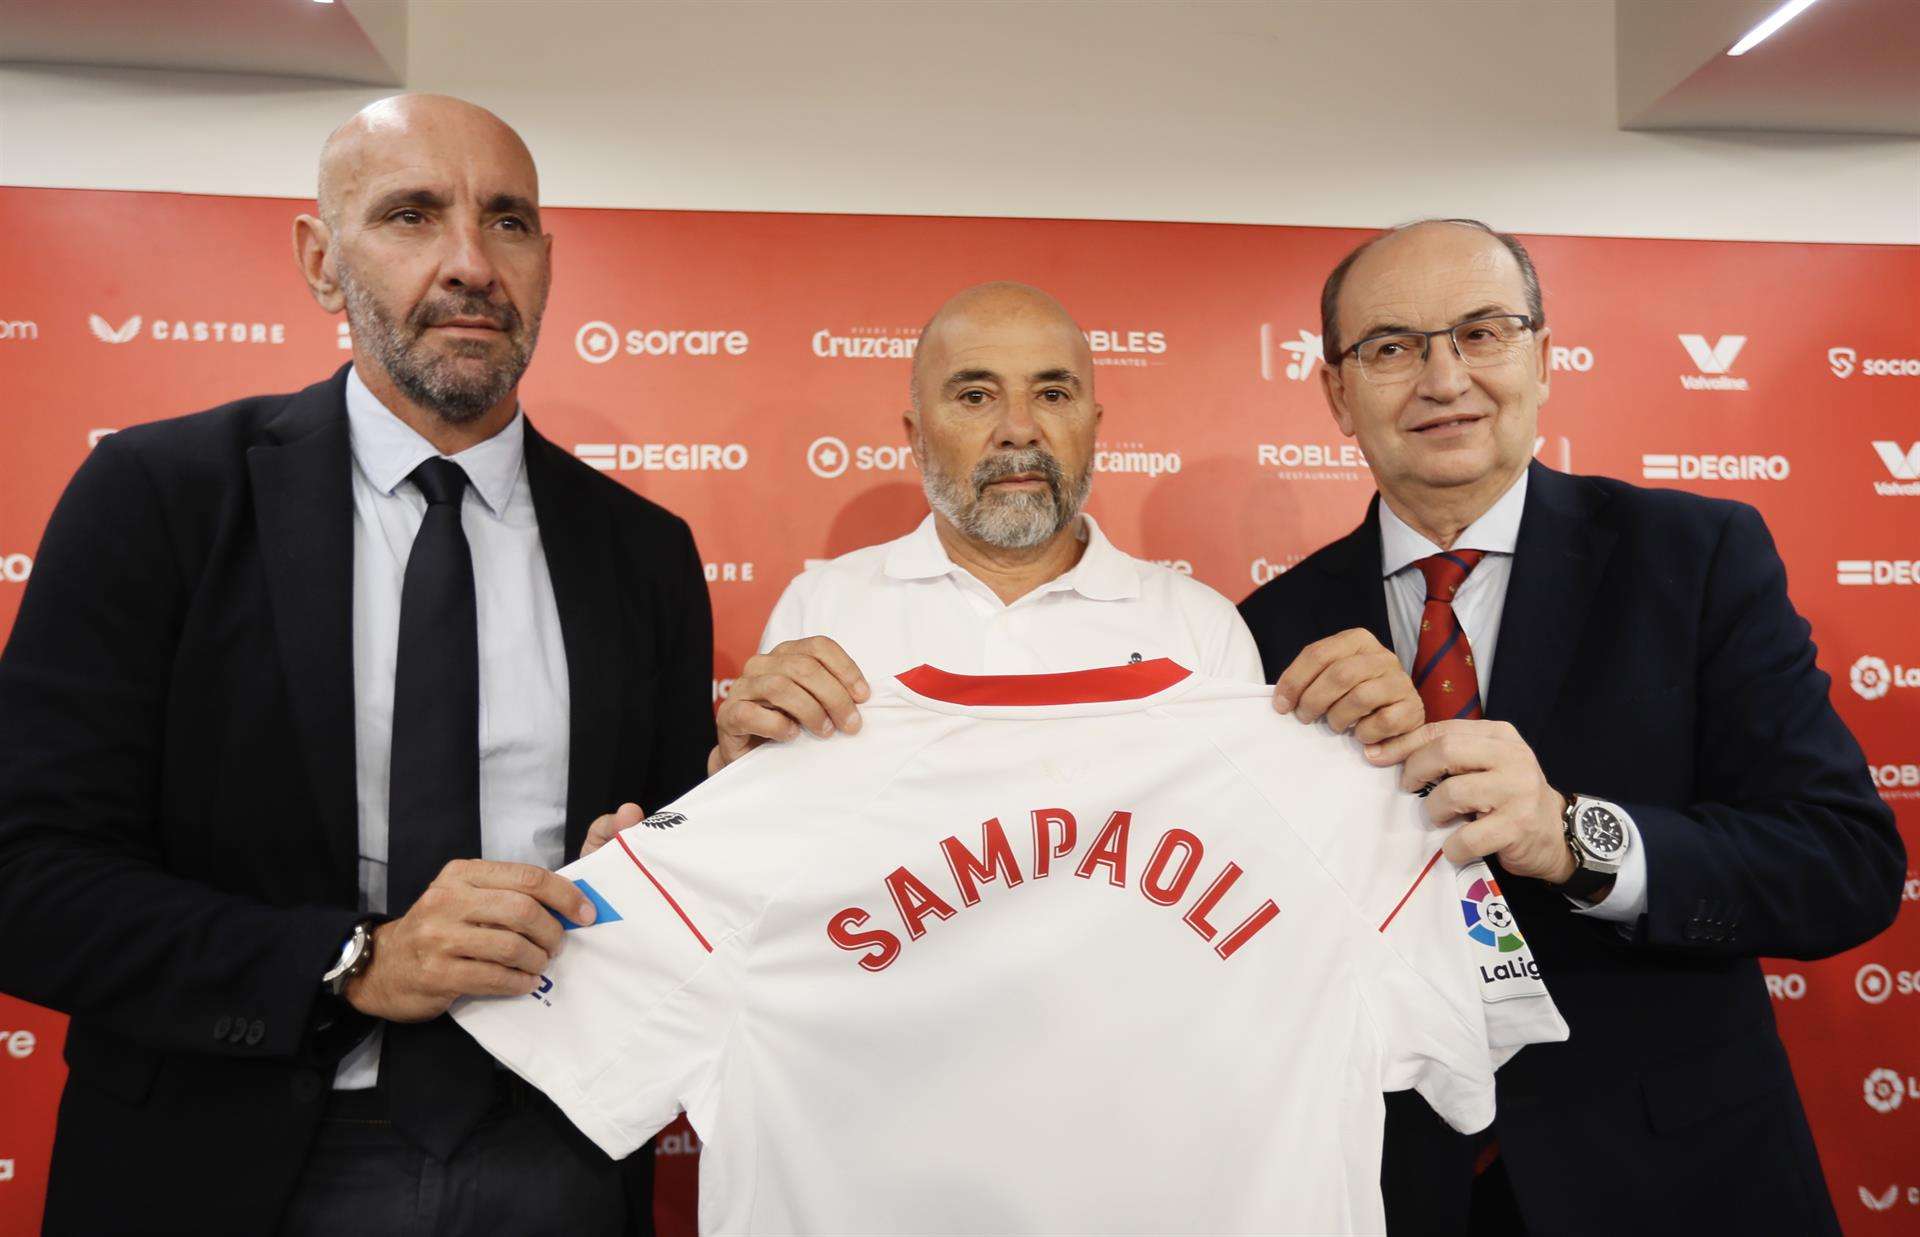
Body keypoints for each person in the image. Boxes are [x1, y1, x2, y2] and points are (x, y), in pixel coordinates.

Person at [0, 94, 714, 1236]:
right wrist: (351, 962)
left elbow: (687, 866)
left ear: (547, 261)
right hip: (227, 1159)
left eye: (509, 222)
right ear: (321, 262)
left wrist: (648, 874)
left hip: (561, 1149)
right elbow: (26, 875)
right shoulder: (158, 498)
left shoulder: (643, 549)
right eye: (412, 215)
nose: (471, 263)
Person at [1238, 218, 1904, 1236]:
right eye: (1391, 347)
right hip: (1384, 1187)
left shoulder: (1695, 557)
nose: (1443, 377)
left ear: (1544, 359)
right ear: (1336, 393)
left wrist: (1574, 837)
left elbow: (1842, 864)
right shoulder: (1270, 631)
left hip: (1677, 1185)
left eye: (1483, 332)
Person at [585, 281, 1421, 851]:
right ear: (915, 434)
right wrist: (720, 791)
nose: (1019, 428)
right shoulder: (825, 606)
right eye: (976, 395)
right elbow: (769, 851)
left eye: (1052, 394)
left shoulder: (1198, 624)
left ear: (1096, 423)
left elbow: (1248, 862)